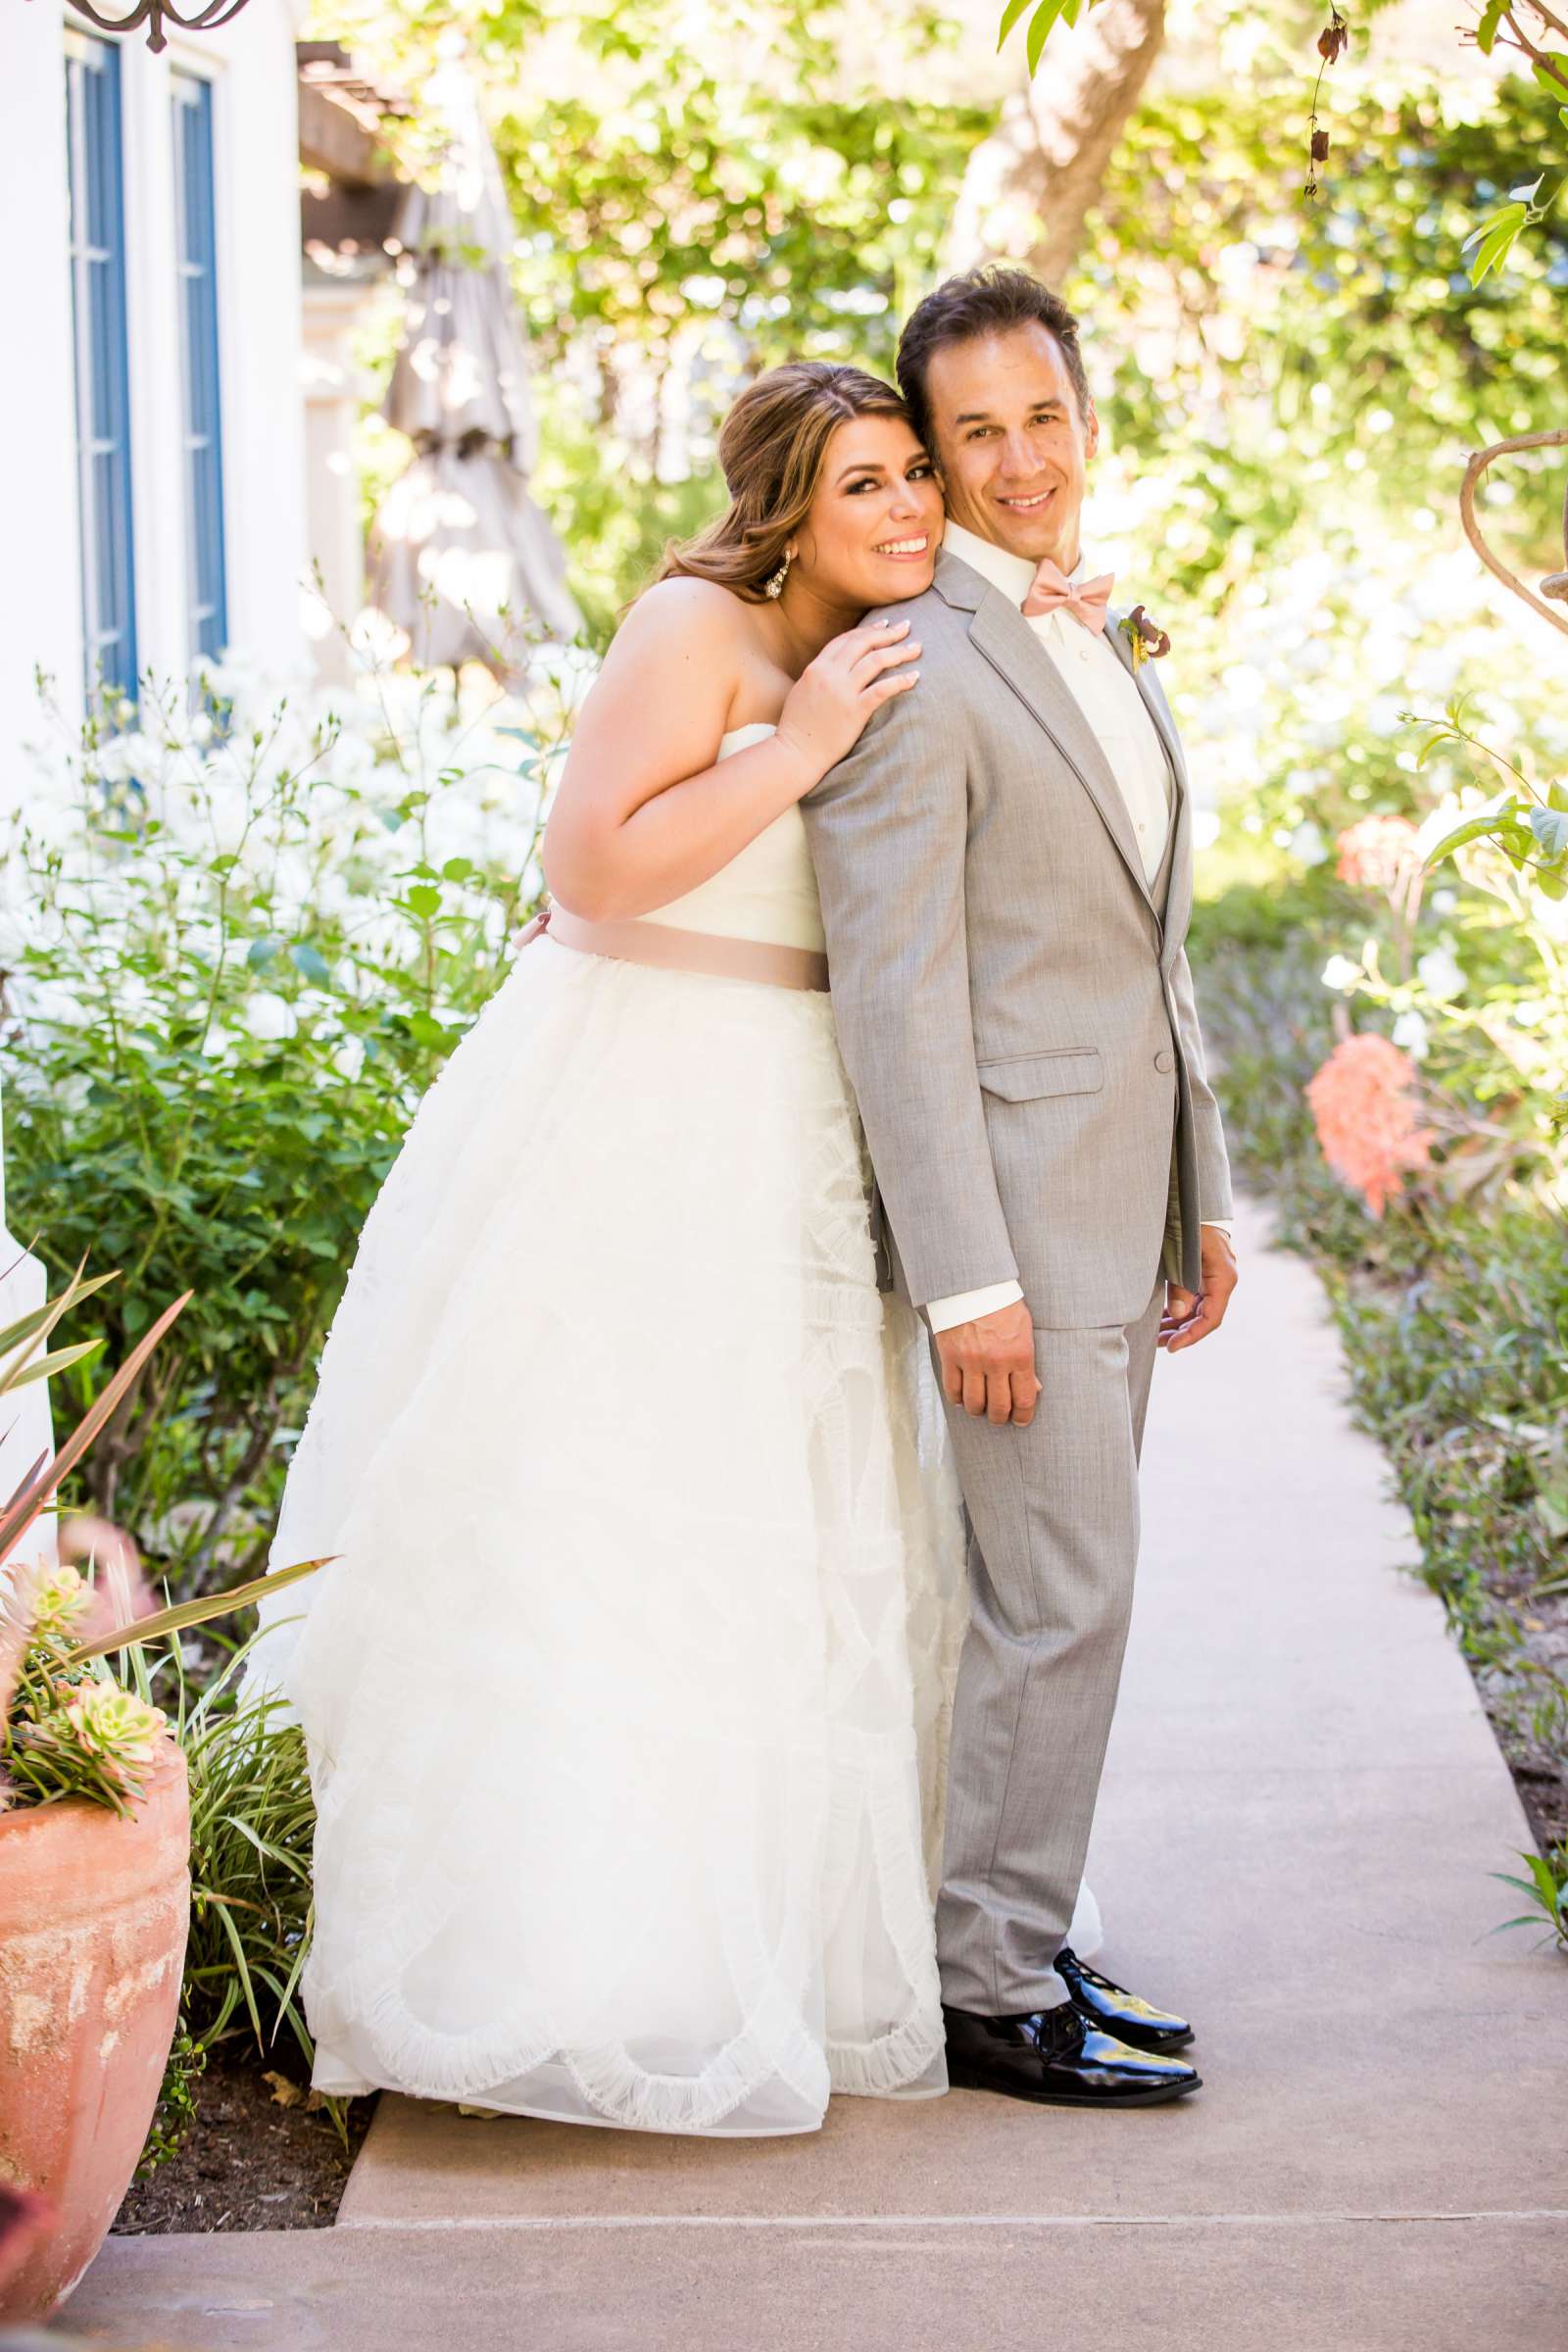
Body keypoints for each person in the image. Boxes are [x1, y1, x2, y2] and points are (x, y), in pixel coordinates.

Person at [242, 362, 1038, 2138]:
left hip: (804, 1117)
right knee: (605, 1517)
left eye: (919, 473)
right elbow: (591, 869)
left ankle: (769, 1948)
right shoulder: (701, 627)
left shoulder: (910, 635)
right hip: (648, 1092)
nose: (911, 507)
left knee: (789, 1530)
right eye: (866, 485)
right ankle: (573, 1967)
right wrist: (804, 745)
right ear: (786, 507)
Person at [804, 267, 1239, 2112]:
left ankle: (1018, 1928)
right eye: (970, 431)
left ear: (1084, 409)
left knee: (1069, 1594)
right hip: (1016, 1223)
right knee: (1060, 1599)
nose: (1015, 460)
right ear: (937, 446)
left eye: (1038, 416)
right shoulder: (919, 669)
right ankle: (986, 1986)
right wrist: (964, 1275)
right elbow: (895, 997)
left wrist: (1197, 1188)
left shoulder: (1089, 627)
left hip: (1115, 1192)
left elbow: (1143, 935)